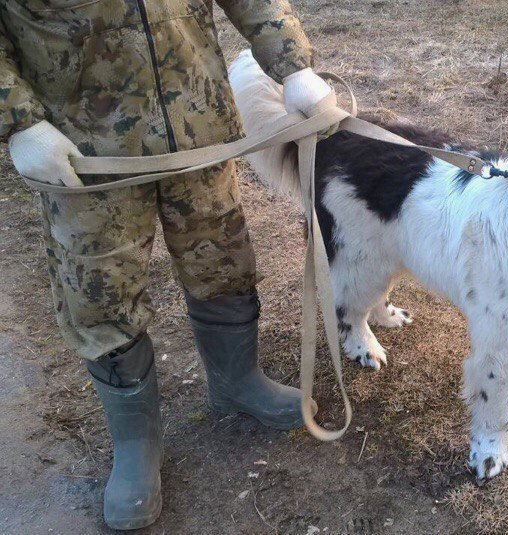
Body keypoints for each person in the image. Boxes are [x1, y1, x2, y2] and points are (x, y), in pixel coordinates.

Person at [0, 0, 332, 530]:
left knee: (221, 256)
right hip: (84, 144)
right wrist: (17, 120)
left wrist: (292, 64)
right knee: (100, 290)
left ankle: (237, 382)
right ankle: (135, 442)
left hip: (195, 118)